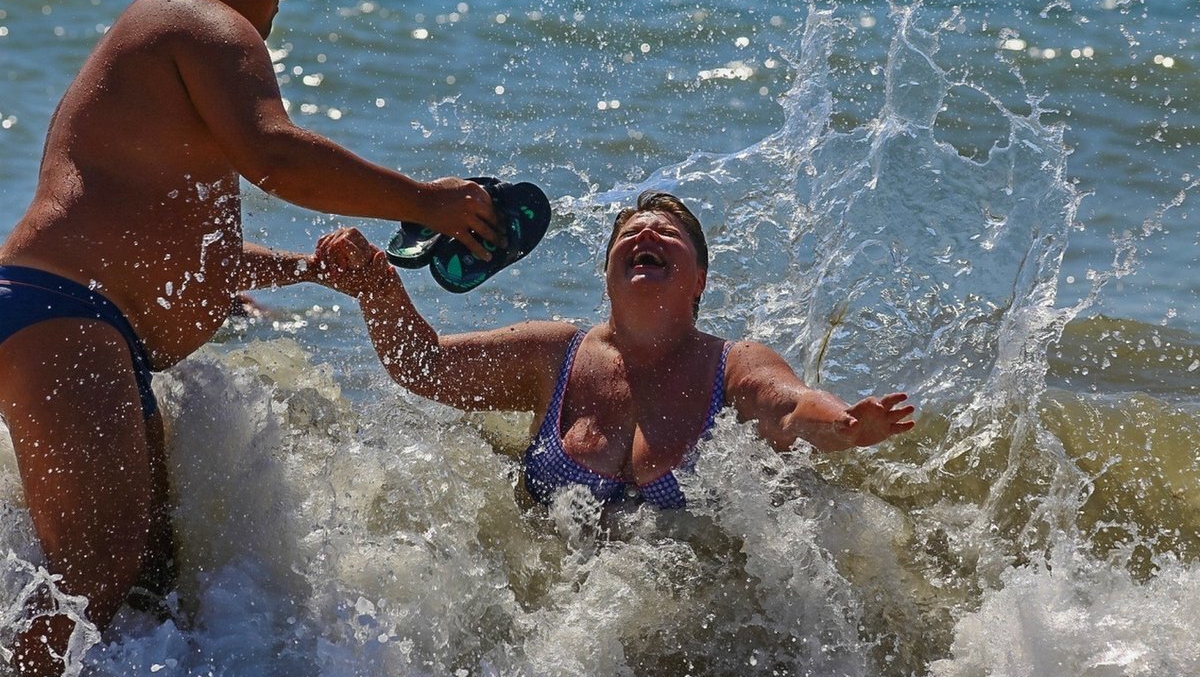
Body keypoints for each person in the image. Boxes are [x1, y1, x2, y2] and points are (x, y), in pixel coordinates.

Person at [0, 0, 505, 677]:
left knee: (147, 577)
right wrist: (425, 203)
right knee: (98, 565)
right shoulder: (199, 18)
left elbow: (186, 250)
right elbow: (276, 155)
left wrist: (305, 268)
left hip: (86, 320)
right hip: (66, 312)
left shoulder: (165, 41)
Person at [313, 191, 915, 512]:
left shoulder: (732, 366)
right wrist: (377, 287)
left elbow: (790, 407)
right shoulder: (555, 354)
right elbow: (426, 366)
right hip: (560, 627)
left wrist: (844, 425)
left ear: (699, 279)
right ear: (608, 273)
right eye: (630, 235)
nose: (646, 236)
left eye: (666, 236)